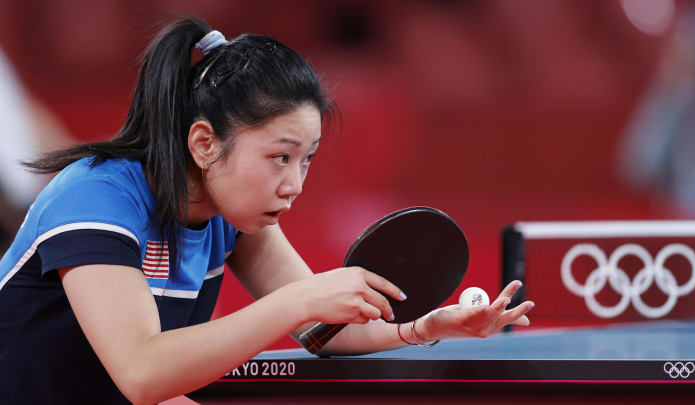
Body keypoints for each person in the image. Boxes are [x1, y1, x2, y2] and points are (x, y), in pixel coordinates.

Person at [0, 18, 534, 404]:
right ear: (205, 144)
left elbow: (325, 331)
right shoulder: (98, 199)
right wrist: (299, 300)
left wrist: (422, 328)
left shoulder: (229, 214)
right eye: (279, 157)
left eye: (307, 160)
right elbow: (142, 371)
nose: (294, 184)